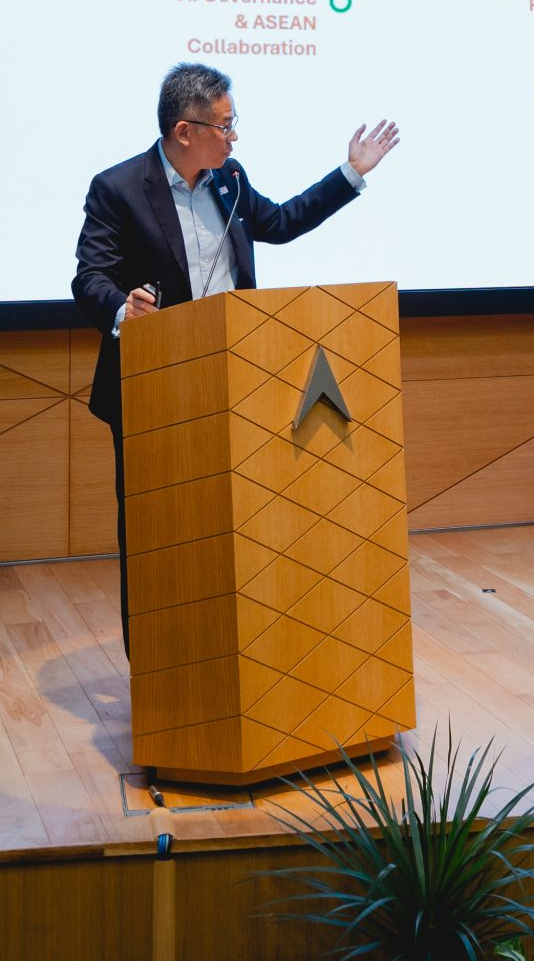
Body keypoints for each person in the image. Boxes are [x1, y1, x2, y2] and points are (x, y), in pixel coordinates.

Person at [73, 62, 401, 655]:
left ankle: (234, 650)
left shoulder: (229, 179)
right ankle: (155, 661)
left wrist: (351, 173)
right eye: (224, 126)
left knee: (238, 519)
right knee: (156, 528)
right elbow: (89, 276)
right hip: (156, 386)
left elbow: (280, 223)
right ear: (184, 131)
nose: (234, 136)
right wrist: (123, 309)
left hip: (236, 377)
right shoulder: (118, 188)